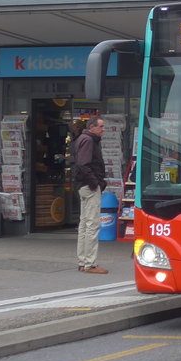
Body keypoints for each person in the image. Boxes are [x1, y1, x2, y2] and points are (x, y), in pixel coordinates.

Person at [73, 116, 109, 274]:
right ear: (92, 127)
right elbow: (83, 164)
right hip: (89, 186)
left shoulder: (82, 138)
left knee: (84, 224)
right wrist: (95, 183)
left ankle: (83, 261)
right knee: (92, 225)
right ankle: (90, 264)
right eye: (101, 126)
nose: (103, 129)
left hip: (83, 185)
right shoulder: (89, 140)